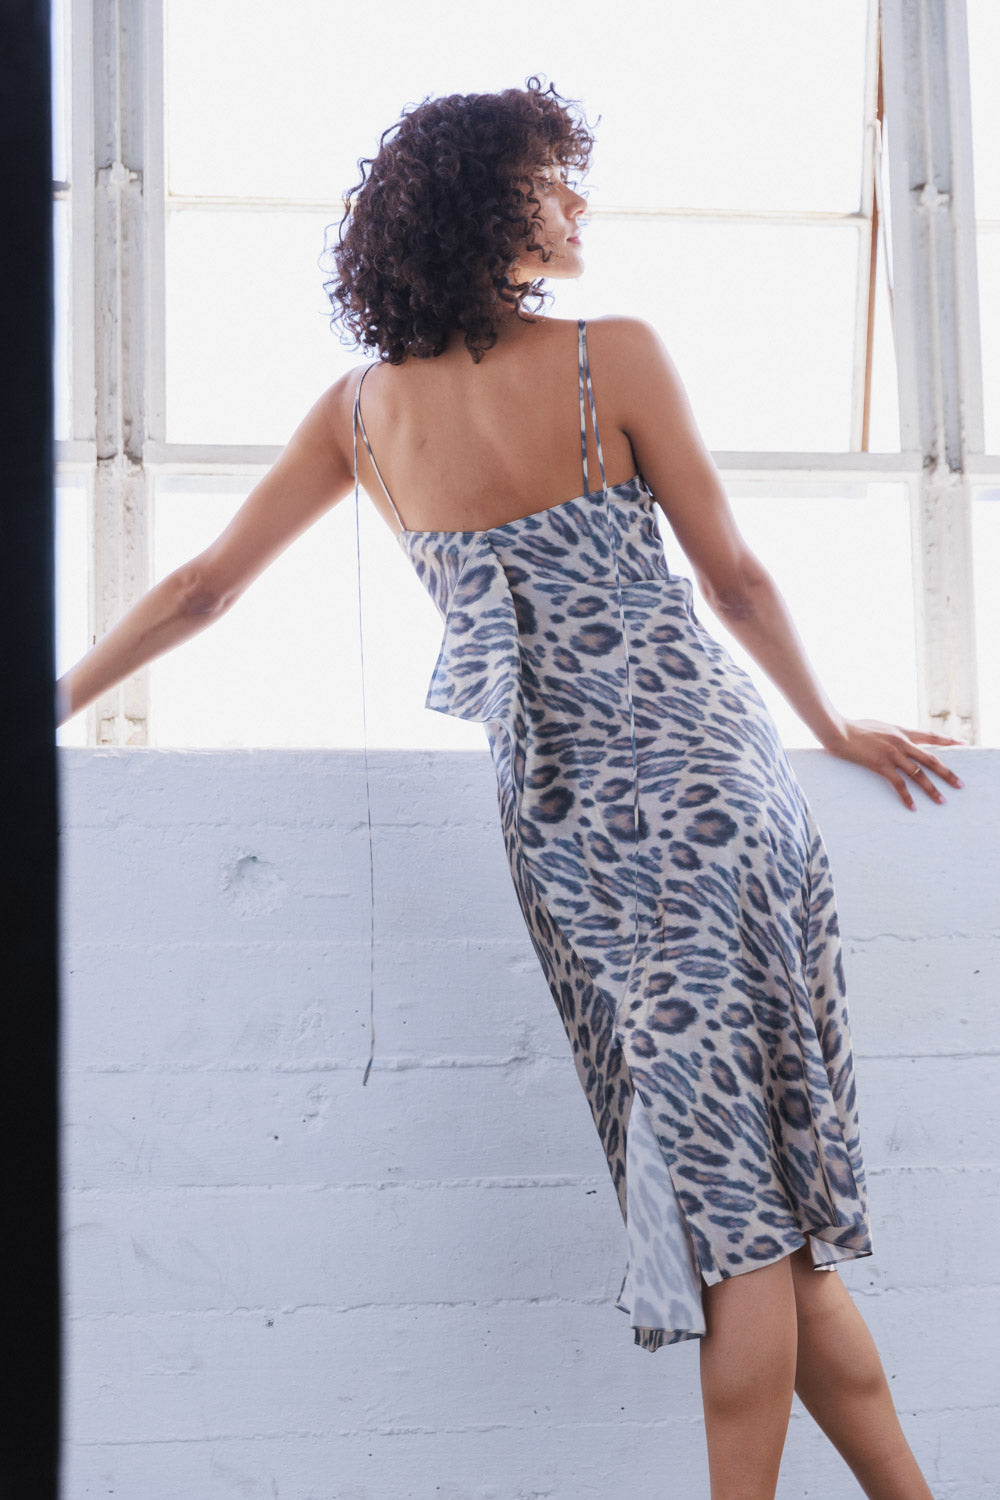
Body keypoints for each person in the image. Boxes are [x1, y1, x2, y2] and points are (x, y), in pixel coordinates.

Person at [57, 77, 963, 1500]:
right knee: (754, 1222)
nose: (577, 202)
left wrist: (51, 700)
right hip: (711, 792)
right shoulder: (615, 358)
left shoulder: (359, 416)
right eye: (554, 179)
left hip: (567, 830)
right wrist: (829, 723)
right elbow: (732, 582)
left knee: (741, 1217)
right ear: (489, 207)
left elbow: (202, 590)